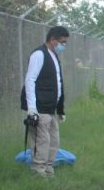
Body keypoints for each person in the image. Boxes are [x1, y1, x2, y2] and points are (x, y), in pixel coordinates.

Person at [20, 26, 69, 177]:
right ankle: (38, 170)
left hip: (50, 108)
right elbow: (30, 80)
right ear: (53, 40)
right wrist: (32, 108)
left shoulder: (53, 55)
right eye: (62, 42)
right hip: (40, 107)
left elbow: (57, 83)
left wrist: (60, 109)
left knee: (54, 140)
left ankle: (48, 168)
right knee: (42, 140)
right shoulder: (39, 54)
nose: (64, 45)